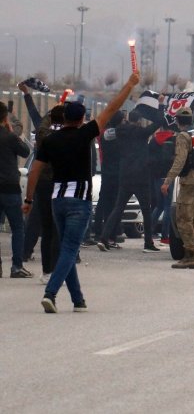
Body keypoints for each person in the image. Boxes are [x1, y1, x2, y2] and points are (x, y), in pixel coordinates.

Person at [23, 71, 140, 313]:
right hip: (79, 201)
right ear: (82, 119)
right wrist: (129, 84)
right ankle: (51, 293)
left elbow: (34, 171)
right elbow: (111, 108)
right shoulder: (85, 134)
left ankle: (78, 299)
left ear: (64, 117)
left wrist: (28, 199)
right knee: (69, 248)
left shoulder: (50, 141)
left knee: (68, 245)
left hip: (57, 199)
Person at [97, 108, 163, 252]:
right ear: (139, 120)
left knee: (118, 208)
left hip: (125, 175)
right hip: (141, 176)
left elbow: (107, 135)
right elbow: (158, 122)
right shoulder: (142, 132)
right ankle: (148, 243)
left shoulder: (120, 131)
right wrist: (160, 106)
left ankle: (104, 238)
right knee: (146, 210)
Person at [19, 82, 64, 282]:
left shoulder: (44, 135)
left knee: (43, 226)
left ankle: (44, 267)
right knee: (60, 228)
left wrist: (28, 96)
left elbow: (37, 118)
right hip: (63, 185)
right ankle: (63, 265)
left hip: (44, 184)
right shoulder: (71, 137)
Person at [161, 106, 194, 269]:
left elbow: (180, 161)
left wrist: (167, 181)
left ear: (177, 121)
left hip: (191, 182)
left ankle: (189, 255)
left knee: (183, 219)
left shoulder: (183, 137)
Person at [0, 101, 32, 278]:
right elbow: (26, 151)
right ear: (6, 118)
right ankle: (16, 266)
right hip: (10, 188)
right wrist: (11, 131)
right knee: (18, 228)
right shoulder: (10, 137)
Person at [87, 110, 125, 247]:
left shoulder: (104, 134)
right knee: (115, 205)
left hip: (106, 171)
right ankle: (111, 236)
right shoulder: (119, 136)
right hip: (116, 173)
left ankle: (99, 232)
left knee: (104, 203)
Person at [149, 123, 176, 244]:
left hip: (156, 177)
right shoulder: (173, 139)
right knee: (167, 207)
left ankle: (148, 232)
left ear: (161, 128)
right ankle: (165, 236)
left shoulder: (153, 141)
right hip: (168, 176)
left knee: (159, 206)